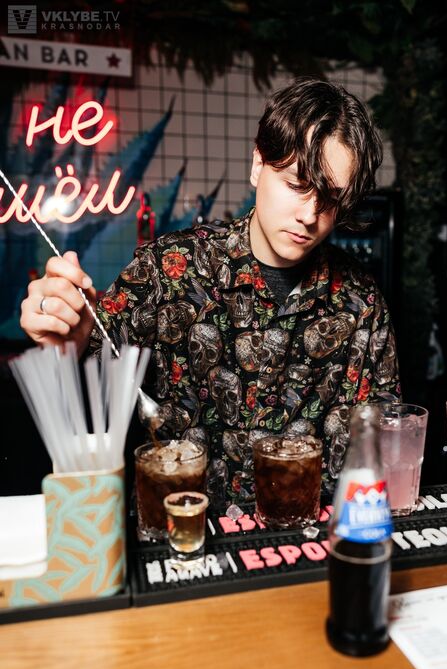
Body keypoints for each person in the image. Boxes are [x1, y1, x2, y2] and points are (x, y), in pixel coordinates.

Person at [20, 77, 400, 502]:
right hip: (179, 531)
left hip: (306, 536)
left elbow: (383, 449)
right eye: (297, 184)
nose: (310, 215)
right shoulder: (169, 269)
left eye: (330, 199)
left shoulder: (360, 303)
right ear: (258, 164)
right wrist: (70, 343)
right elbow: (89, 401)